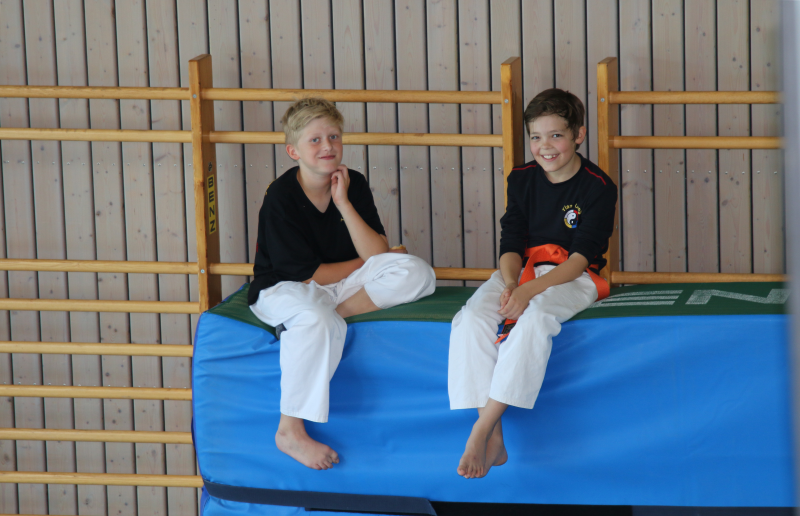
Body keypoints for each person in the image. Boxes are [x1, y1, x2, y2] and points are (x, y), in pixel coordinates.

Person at [249, 98, 435, 470]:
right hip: (285, 289)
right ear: (293, 151)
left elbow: (377, 252)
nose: (327, 146)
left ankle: (327, 318)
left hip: (338, 291)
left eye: (333, 136)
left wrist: (344, 203)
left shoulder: (353, 183)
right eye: (315, 140)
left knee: (417, 272)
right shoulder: (281, 196)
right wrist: (371, 261)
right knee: (314, 310)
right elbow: (309, 275)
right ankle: (290, 429)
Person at [448, 88, 617, 479]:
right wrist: (511, 284)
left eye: (556, 135)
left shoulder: (598, 186)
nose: (545, 147)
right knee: (471, 318)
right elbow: (510, 242)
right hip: (521, 270)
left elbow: (579, 260)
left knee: (536, 319)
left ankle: (480, 429)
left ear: (579, 135)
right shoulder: (522, 178)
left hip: (574, 276)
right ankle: (496, 438)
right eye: (536, 137)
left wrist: (527, 294)